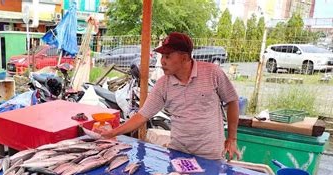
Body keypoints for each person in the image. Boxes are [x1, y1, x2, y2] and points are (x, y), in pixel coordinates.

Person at [102, 32, 241, 160]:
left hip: (211, 155)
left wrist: (232, 139)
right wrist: (112, 133)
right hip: (178, 153)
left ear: (184, 58)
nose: (162, 61)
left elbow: (232, 101)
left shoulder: (212, 73)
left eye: (167, 56)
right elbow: (142, 116)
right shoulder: (163, 84)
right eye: (162, 56)